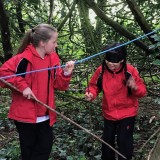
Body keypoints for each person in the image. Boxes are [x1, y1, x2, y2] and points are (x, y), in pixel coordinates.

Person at [0, 23, 75, 160]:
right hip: (25, 116)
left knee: (44, 149)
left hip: (46, 115)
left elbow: (59, 85)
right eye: (54, 42)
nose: (56, 45)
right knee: (28, 152)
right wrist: (23, 86)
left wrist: (65, 73)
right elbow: (3, 74)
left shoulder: (53, 58)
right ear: (42, 43)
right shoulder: (23, 58)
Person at [85, 43, 146, 160]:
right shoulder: (101, 70)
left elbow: (142, 92)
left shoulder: (130, 71)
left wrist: (135, 87)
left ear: (122, 60)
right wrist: (91, 94)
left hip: (127, 112)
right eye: (108, 60)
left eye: (114, 61)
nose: (110, 63)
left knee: (124, 140)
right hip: (109, 112)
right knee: (107, 141)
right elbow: (93, 86)